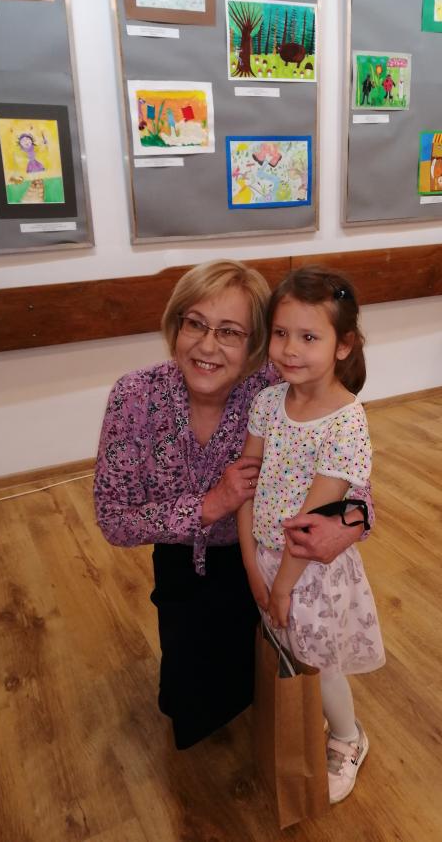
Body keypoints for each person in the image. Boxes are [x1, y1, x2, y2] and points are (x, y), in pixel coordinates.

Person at [93, 260, 374, 750]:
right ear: (175, 326)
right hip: (186, 562)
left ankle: (339, 734)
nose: (207, 346)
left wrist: (350, 525)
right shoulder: (135, 396)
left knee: (279, 683)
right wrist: (207, 506)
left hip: (272, 561)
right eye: (195, 324)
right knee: (187, 709)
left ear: (254, 343)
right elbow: (113, 519)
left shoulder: (272, 387)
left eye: (229, 332)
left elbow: (353, 482)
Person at [237, 267, 385, 804]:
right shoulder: (267, 402)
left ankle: (347, 737)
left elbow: (312, 520)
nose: (289, 349)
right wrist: (252, 564)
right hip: (267, 562)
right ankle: (314, 721)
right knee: (291, 653)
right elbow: (245, 486)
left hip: (310, 573)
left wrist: (282, 585)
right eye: (281, 333)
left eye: (308, 336)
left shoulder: (345, 422)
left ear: (343, 345)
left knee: (319, 665)